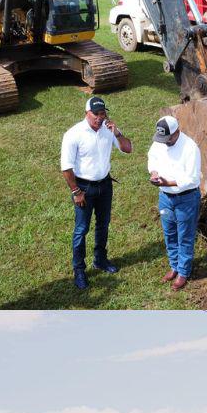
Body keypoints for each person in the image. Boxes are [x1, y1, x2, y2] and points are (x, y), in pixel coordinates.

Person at [61, 96, 132, 289]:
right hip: (84, 188)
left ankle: (100, 260)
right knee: (81, 229)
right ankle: (79, 269)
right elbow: (66, 168)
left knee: (103, 224)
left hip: (105, 185)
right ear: (87, 113)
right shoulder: (73, 134)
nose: (100, 117)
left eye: (103, 113)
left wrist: (117, 133)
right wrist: (76, 191)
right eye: (96, 114)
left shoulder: (108, 130)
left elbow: (127, 148)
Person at [147, 115, 203, 291]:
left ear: (176, 132)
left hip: (186, 198)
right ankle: (174, 266)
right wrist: (154, 173)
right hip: (165, 197)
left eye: (167, 139)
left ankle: (183, 272)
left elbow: (192, 179)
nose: (164, 142)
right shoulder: (160, 142)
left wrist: (168, 183)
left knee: (185, 236)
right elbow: (152, 157)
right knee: (169, 233)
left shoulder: (190, 148)